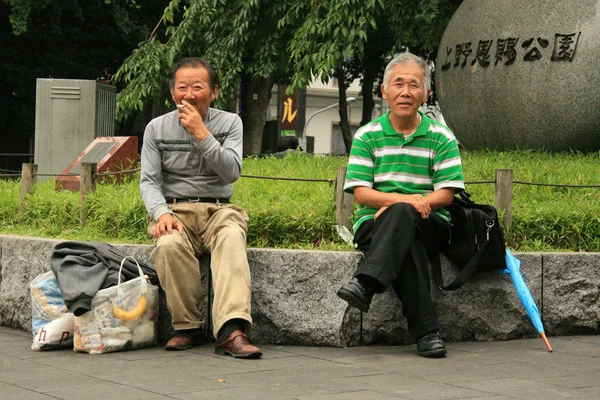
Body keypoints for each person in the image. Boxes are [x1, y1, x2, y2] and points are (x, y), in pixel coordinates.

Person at [336, 52, 465, 358]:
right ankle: (428, 333)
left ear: (426, 93)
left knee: (403, 217)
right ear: (384, 90)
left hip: (431, 222)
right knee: (408, 246)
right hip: (374, 224)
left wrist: (400, 207)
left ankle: (366, 282)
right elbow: (363, 194)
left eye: (414, 85)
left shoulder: (441, 137)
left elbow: (446, 195)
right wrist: (403, 205)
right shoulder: (368, 135)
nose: (406, 92)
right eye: (398, 84)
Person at [140, 57, 262, 358]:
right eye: (182, 87)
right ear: (173, 93)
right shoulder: (156, 129)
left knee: (232, 238)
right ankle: (187, 327)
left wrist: (201, 133)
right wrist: (162, 213)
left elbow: (231, 172)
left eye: (198, 87)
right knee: (168, 245)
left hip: (220, 210)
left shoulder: (230, 123)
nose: (189, 94)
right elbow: (149, 182)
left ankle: (232, 331)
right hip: (174, 210)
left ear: (214, 91)